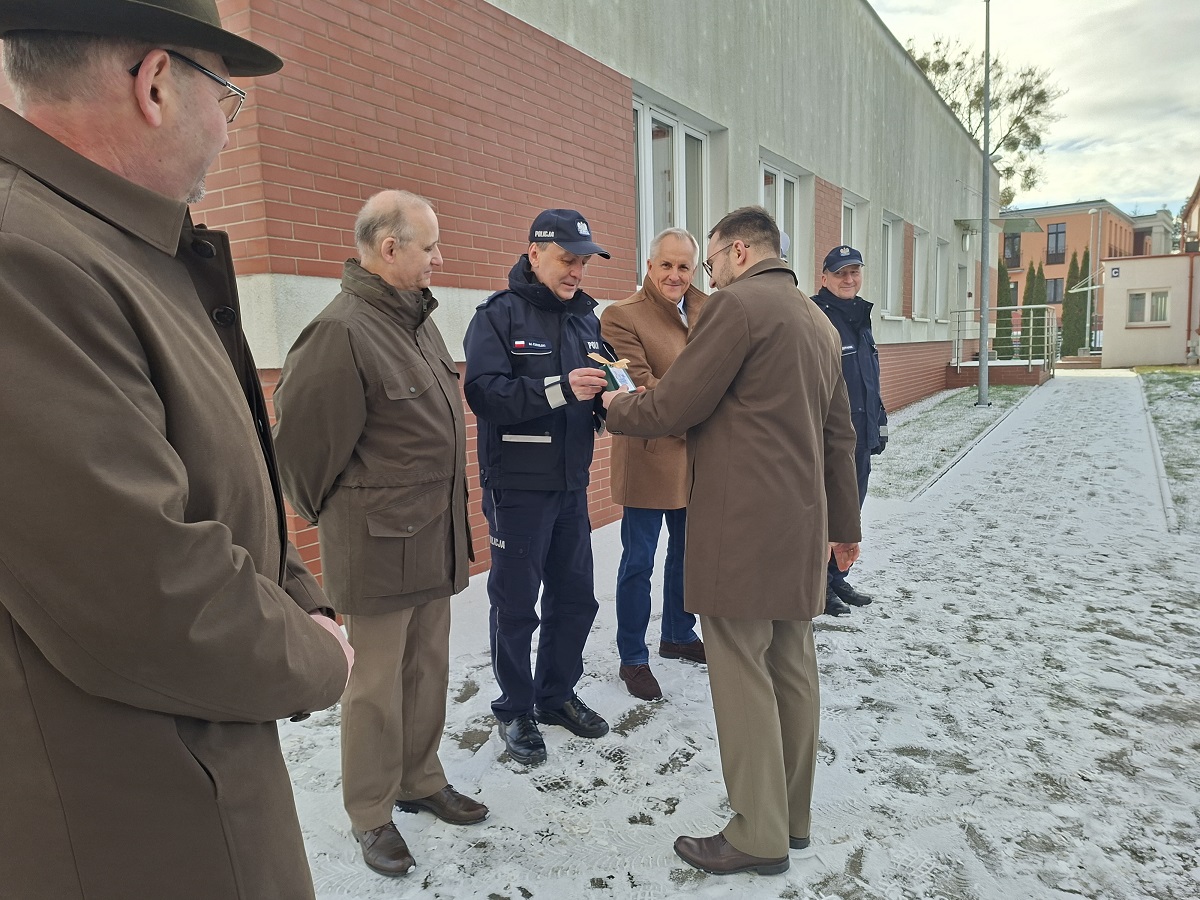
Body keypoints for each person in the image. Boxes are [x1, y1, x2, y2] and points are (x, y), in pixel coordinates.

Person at [0, 4, 354, 898]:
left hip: (185, 774)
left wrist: (299, 596)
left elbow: (216, 478)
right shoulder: (26, 259)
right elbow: (143, 589)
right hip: (133, 822)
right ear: (156, 82)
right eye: (226, 97)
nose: (227, 132)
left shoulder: (115, 245)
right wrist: (321, 658)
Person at [604, 206, 861, 876]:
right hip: (800, 525)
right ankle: (791, 819)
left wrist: (612, 405)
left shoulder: (734, 309)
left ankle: (756, 832)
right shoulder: (817, 320)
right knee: (792, 666)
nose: (706, 277)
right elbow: (840, 434)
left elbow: (675, 404)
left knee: (742, 673)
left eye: (710, 260)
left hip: (739, 528)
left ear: (739, 251)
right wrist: (845, 528)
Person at [272, 191, 485, 877]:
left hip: (433, 540)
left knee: (428, 670)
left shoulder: (416, 322)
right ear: (389, 249)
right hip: (376, 547)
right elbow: (301, 457)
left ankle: (420, 777)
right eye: (429, 246)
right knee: (372, 686)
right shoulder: (341, 332)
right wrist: (345, 520)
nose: (440, 258)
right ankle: (371, 812)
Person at [463, 209, 613, 766]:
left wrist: (610, 403)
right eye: (566, 259)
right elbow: (485, 395)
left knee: (575, 600)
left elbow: (600, 387)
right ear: (534, 254)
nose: (576, 271)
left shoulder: (586, 321)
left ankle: (555, 694)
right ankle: (516, 707)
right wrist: (559, 388)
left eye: (582, 261)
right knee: (516, 603)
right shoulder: (498, 317)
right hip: (518, 488)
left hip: (572, 485)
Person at [600, 227, 708, 701]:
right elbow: (640, 388)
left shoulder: (713, 310)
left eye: (684, 266)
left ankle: (679, 634)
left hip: (699, 458)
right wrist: (704, 402)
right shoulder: (621, 316)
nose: (675, 275)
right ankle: (632, 657)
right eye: (666, 265)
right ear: (649, 266)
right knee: (638, 561)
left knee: (689, 555)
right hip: (648, 456)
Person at [812, 245, 888, 616]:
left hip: (861, 434)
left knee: (850, 512)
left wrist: (880, 420)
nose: (848, 279)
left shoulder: (859, 316)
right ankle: (819, 588)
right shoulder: (815, 315)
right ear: (823, 277)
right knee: (827, 515)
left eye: (854, 272)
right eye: (840, 273)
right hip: (831, 439)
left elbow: (868, 378)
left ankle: (837, 576)